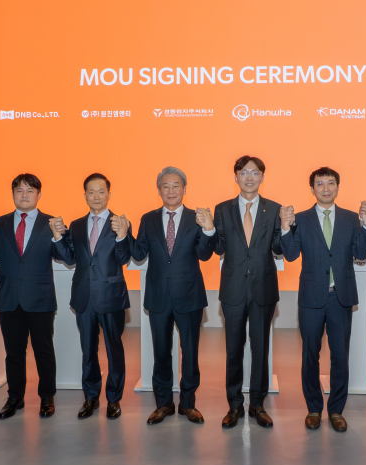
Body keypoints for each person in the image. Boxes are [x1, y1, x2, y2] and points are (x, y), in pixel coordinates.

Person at [279, 167, 366, 431]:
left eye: (330, 183)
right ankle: (313, 408)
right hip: (311, 298)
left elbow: (361, 252)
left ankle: (336, 410)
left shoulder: (350, 218)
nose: (325, 188)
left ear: (338, 187)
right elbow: (290, 255)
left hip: (340, 298)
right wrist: (285, 227)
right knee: (310, 355)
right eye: (319, 183)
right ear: (312, 189)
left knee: (340, 356)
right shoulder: (301, 218)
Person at [0, 174, 63, 419]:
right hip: (9, 298)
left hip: (40, 298)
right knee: (14, 352)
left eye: (30, 190)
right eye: (19, 190)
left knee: (43, 350)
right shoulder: (0, 223)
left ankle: (47, 397)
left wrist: (59, 236)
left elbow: (67, 256)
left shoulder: (51, 222)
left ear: (39, 195)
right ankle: (15, 397)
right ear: (12, 194)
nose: (24, 195)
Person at [125, 166, 216, 424]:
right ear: (159, 190)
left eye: (176, 185)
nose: (171, 190)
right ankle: (163, 404)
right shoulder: (148, 219)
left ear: (184, 189)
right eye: (165, 186)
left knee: (190, 354)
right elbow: (139, 253)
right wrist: (125, 234)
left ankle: (188, 404)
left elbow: (204, 254)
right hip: (158, 297)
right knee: (161, 353)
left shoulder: (197, 217)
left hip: (189, 296)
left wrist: (209, 230)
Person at [50, 173, 132, 420]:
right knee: (88, 350)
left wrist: (123, 235)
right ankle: (91, 397)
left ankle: (114, 399)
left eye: (101, 191)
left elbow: (125, 257)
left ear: (109, 194)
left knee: (114, 350)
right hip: (84, 297)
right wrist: (58, 236)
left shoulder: (120, 222)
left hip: (112, 297)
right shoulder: (76, 225)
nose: (96, 196)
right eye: (91, 191)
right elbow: (70, 258)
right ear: (84, 195)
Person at [212, 155, 283, 428]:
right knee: (233, 349)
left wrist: (287, 227)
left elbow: (279, 248)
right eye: (244, 172)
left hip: (263, 288)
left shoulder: (274, 209)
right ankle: (234, 405)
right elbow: (218, 247)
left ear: (262, 177)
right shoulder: (223, 209)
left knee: (260, 348)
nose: (249, 177)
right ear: (236, 177)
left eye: (254, 173)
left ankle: (257, 404)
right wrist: (208, 230)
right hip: (233, 289)